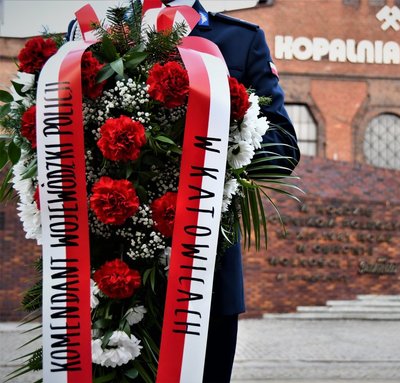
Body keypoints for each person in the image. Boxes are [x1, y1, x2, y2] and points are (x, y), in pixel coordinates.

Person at [68, 1, 299, 381]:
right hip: (109, 273)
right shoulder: (96, 34)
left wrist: (216, 154)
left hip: (208, 276)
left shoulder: (239, 40)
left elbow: (283, 142)